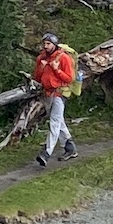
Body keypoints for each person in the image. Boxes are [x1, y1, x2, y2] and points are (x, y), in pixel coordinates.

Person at [32, 33, 80, 165]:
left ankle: (46, 153)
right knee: (59, 121)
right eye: (44, 44)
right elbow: (36, 77)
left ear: (54, 44)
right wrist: (41, 68)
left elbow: (69, 78)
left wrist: (56, 70)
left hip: (59, 93)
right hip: (47, 94)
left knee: (54, 122)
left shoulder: (63, 58)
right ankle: (70, 148)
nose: (45, 46)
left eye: (48, 44)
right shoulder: (41, 58)